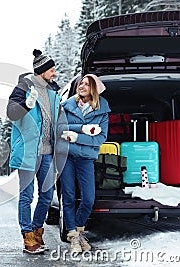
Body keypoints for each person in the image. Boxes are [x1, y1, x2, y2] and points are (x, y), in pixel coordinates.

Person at [6, 49, 61, 254]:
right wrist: (27, 105)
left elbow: (59, 120)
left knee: (47, 196)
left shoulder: (54, 92)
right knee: (27, 197)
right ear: (42, 71)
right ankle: (28, 237)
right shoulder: (23, 88)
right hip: (29, 153)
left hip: (48, 154)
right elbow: (11, 113)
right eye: (52, 70)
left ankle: (38, 232)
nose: (54, 74)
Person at [56, 74, 110, 254]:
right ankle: (73, 235)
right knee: (69, 197)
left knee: (88, 199)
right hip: (67, 156)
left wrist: (77, 137)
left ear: (94, 89)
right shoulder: (67, 106)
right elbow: (59, 128)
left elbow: (100, 138)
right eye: (81, 83)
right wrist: (83, 130)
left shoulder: (102, 111)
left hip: (86, 158)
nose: (82, 86)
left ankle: (78, 231)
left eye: (87, 84)